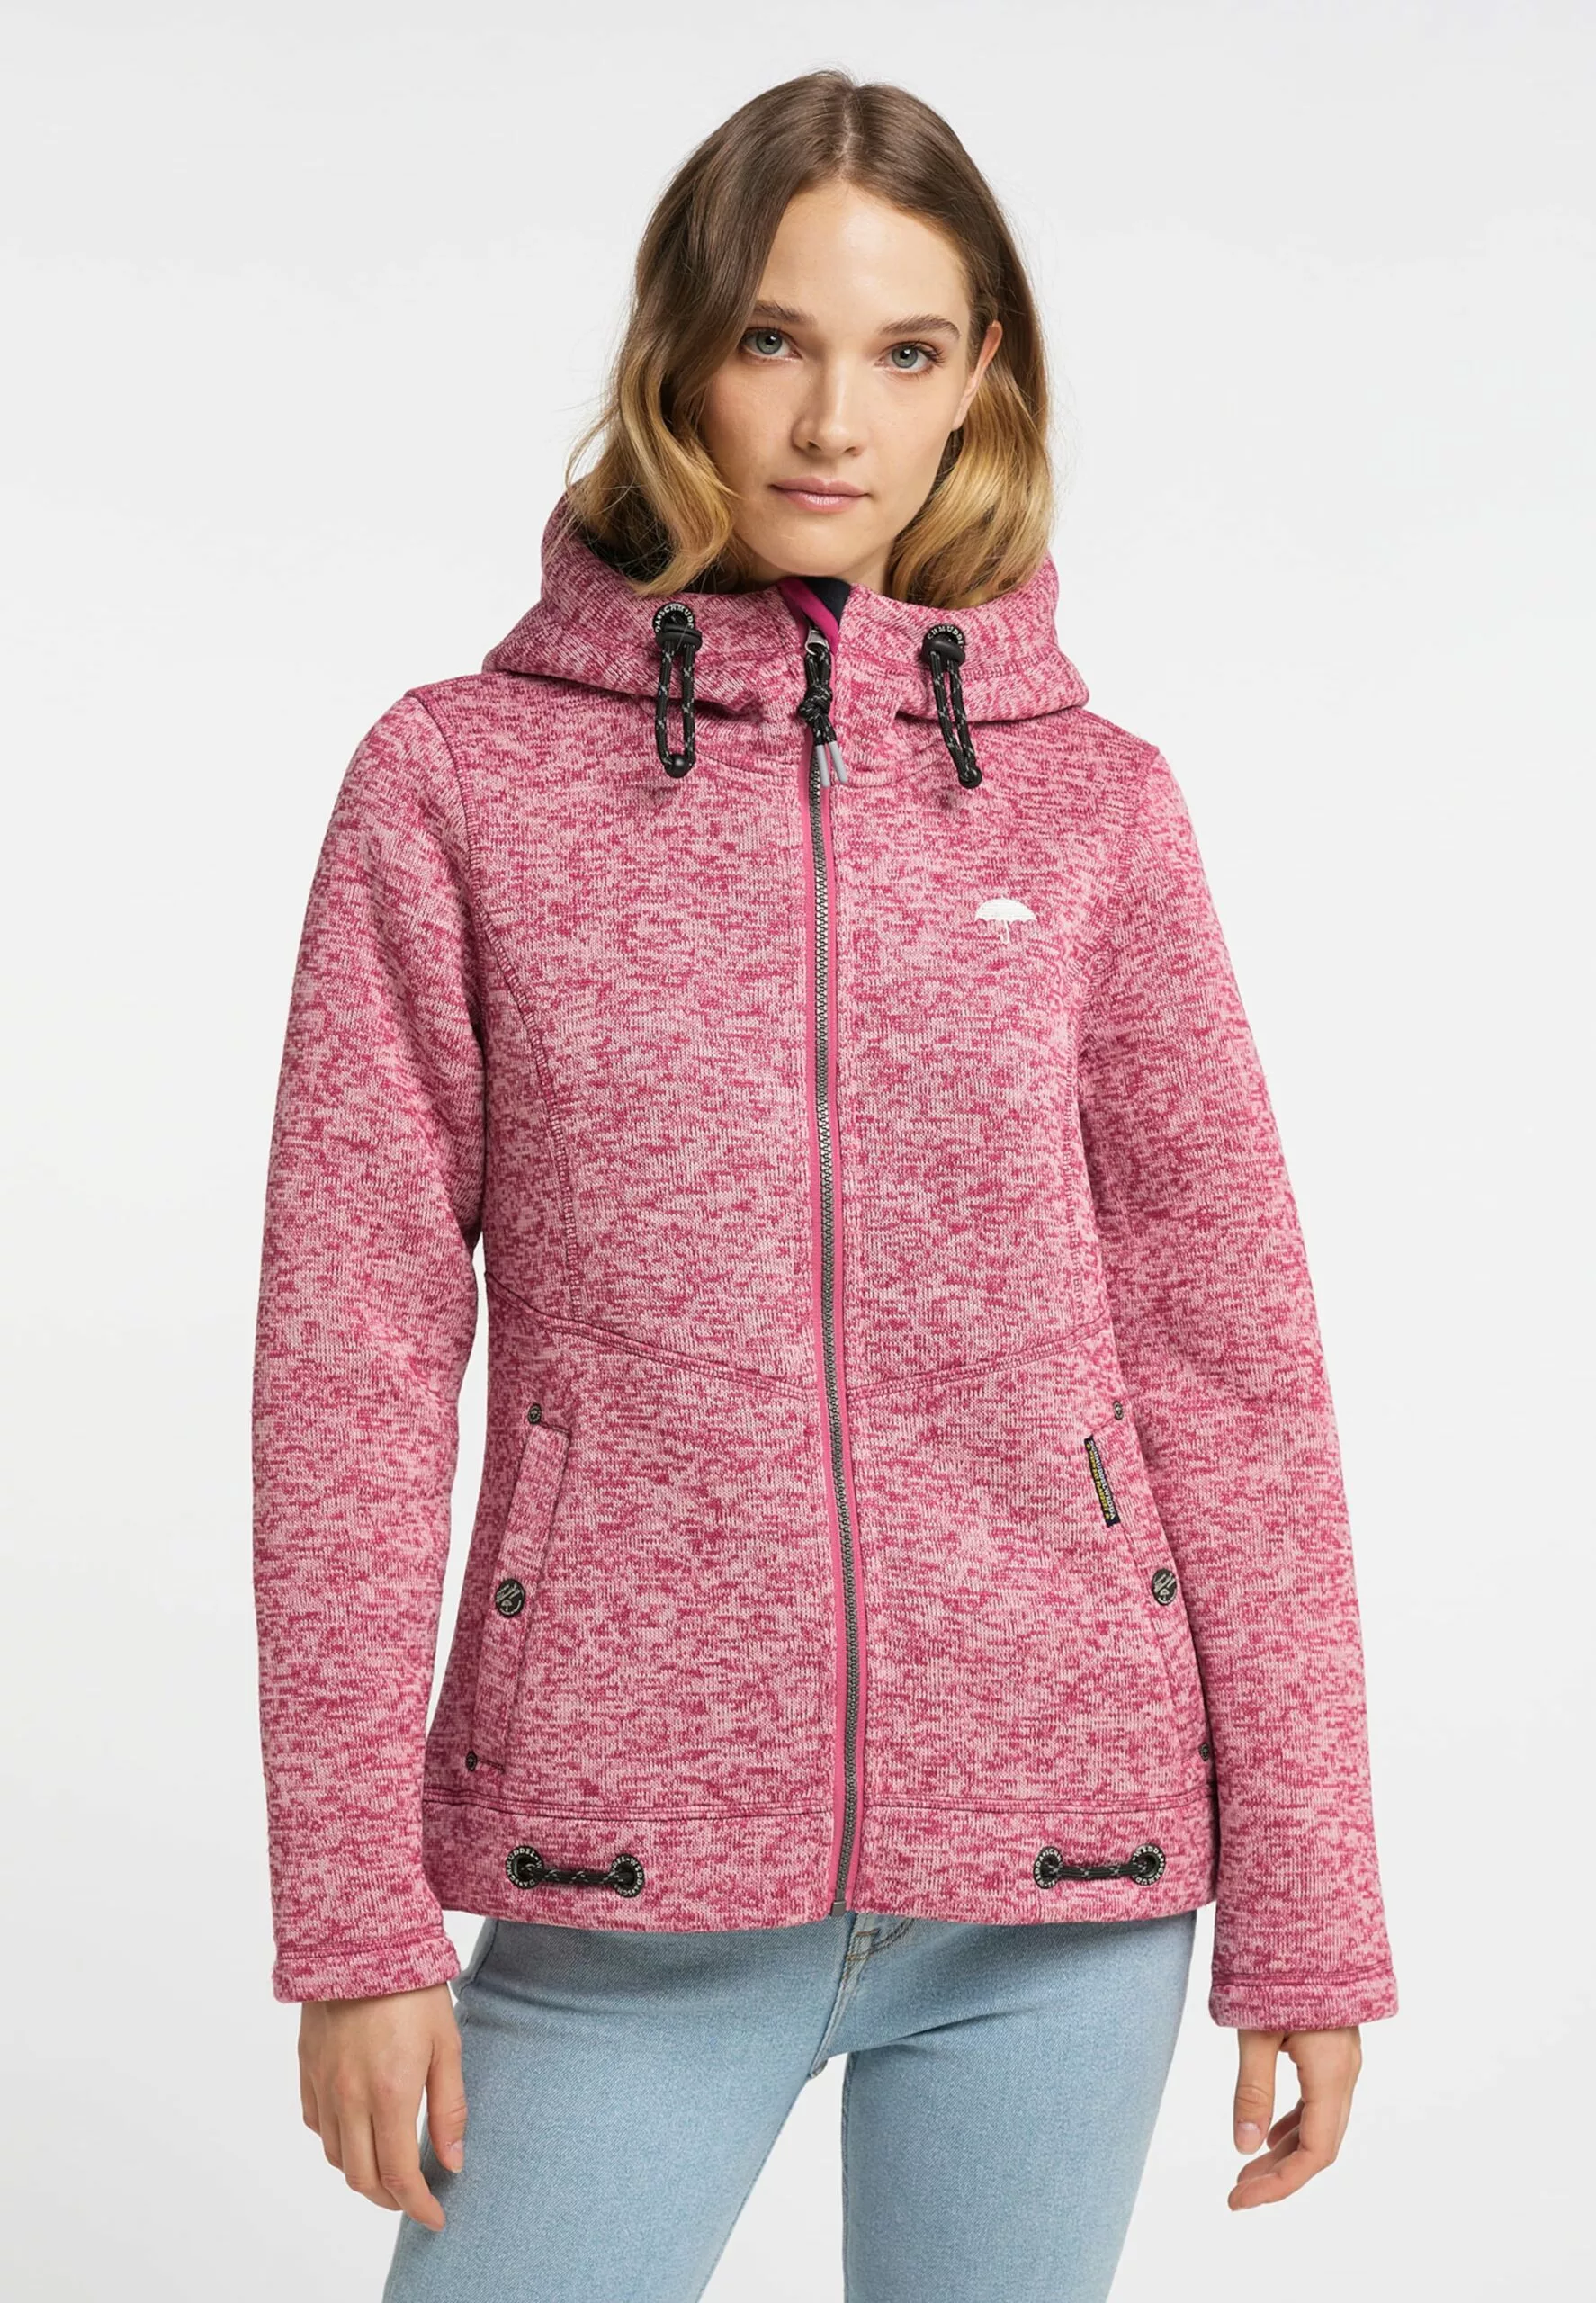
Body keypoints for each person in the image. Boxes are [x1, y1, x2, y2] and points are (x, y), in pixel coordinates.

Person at [251, 67, 1398, 2303]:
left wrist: (1310, 1906)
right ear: (676, 348)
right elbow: (350, 1363)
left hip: (1061, 1887)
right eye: (772, 337)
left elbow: (1230, 1366)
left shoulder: (1094, 809)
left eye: (902, 349)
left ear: (980, 379)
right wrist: (353, 1916)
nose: (829, 420)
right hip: (618, 1876)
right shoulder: (456, 783)